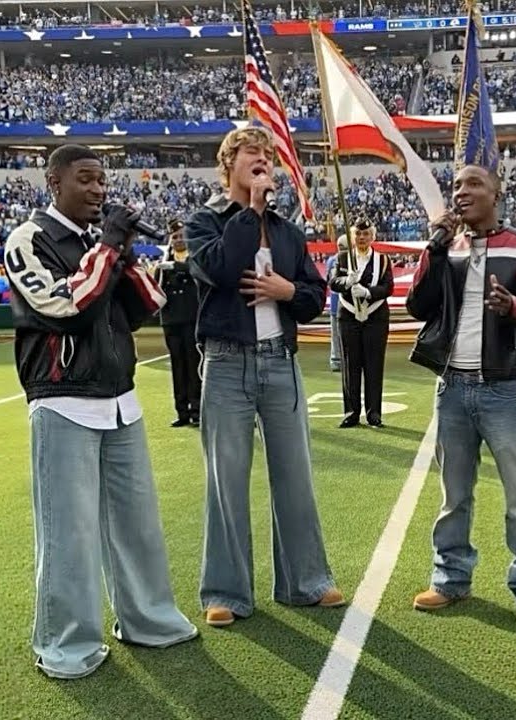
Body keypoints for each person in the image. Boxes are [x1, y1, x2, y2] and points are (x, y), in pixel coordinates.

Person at [4, 144, 198, 680]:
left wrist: (123, 253)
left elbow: (147, 306)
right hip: (63, 400)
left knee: (137, 524)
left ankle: (148, 619)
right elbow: (66, 307)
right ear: (54, 181)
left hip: (119, 400)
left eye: (102, 181)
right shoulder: (29, 239)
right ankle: (67, 644)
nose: (98, 190)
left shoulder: (99, 243)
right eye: (86, 179)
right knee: (68, 533)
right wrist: (108, 246)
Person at [185, 126, 345, 628]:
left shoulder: (289, 233)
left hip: (280, 362)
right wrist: (250, 212)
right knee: (226, 482)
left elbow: (314, 297)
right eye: (251, 152)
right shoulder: (204, 222)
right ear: (228, 165)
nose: (262, 160)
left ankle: (305, 581)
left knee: (294, 477)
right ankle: (226, 592)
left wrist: (284, 290)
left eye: (267, 155)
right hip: (226, 363)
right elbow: (220, 269)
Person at [406, 163, 516, 631]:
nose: (461, 191)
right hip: (452, 388)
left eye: (473, 183)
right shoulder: (447, 248)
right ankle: (450, 578)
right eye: (456, 185)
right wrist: (435, 247)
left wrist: (514, 307)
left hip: (504, 390)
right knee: (454, 495)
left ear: (497, 193)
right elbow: (418, 306)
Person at [329, 216, 394, 428]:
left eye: (366, 234)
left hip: (375, 317)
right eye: (358, 233)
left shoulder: (383, 260)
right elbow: (333, 282)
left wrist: (368, 292)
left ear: (372, 236)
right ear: (352, 236)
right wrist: (347, 281)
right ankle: (351, 412)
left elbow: (388, 287)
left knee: (374, 365)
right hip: (348, 316)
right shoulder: (342, 258)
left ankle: (374, 413)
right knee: (350, 364)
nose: (362, 237)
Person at [154, 219, 202, 427]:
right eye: (175, 237)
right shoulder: (165, 260)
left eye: (181, 235)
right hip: (171, 320)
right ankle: (182, 411)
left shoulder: (194, 257)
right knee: (177, 366)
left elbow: (196, 271)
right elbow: (157, 287)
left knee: (193, 364)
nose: (178, 240)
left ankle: (196, 409)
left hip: (191, 318)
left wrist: (176, 266)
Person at [326, 234, 347, 372]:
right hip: (346, 304)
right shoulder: (349, 260)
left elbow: (328, 280)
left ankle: (336, 360)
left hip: (335, 303)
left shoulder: (331, 260)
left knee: (335, 333)